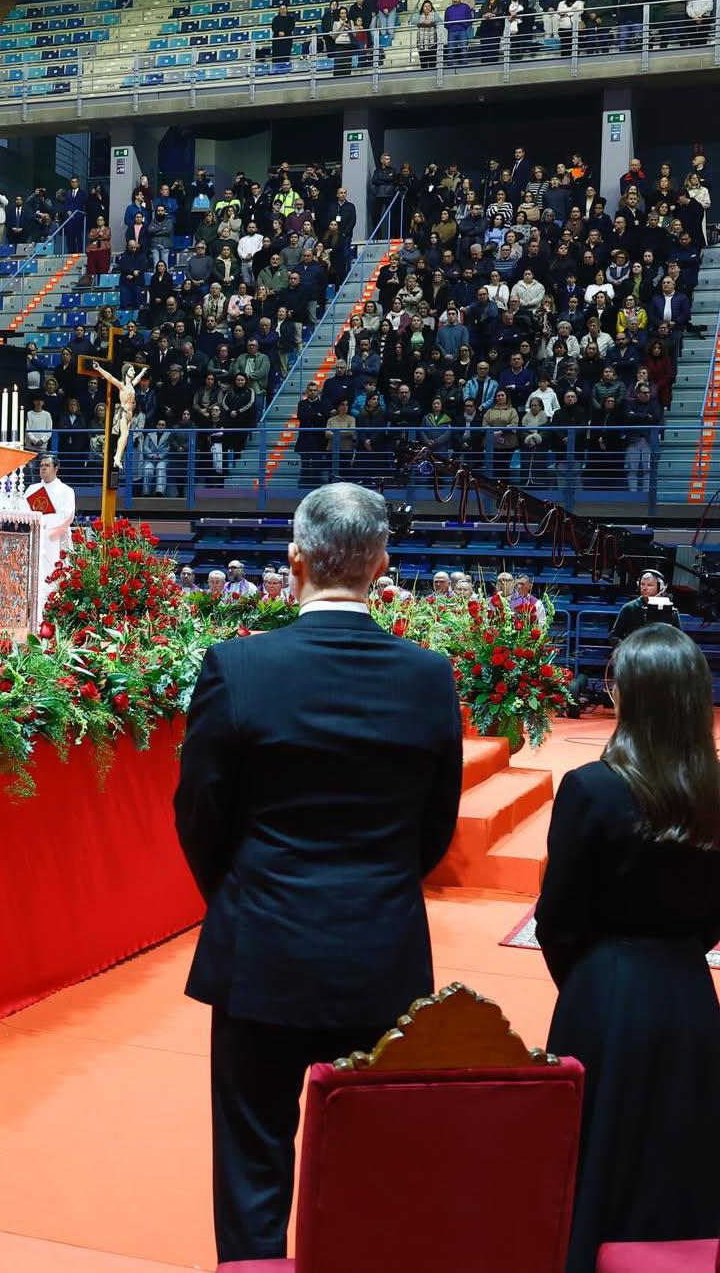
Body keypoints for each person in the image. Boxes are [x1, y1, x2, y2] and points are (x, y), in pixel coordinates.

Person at [175, 483, 463, 1265]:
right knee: (371, 1166)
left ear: (294, 562)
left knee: (252, 1165)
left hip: (261, 948)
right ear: (382, 565)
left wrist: (241, 894)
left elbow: (198, 814)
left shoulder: (238, 666)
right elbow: (435, 826)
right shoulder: (429, 676)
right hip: (381, 954)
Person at [535, 625, 720, 1273]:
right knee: (682, 1150)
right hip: (690, 993)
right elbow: (713, 921)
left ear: (632, 695)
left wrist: (589, 978)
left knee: (599, 1156)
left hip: (603, 991)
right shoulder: (714, 791)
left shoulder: (592, 788)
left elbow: (556, 919)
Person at [33, 454, 76, 609]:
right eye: (41, 466)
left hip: (56, 539)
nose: (43, 468)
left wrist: (51, 527)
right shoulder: (33, 489)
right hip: (37, 539)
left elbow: (68, 515)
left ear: (56, 468)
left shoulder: (66, 490)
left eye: (47, 465)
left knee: (57, 576)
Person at [609, 568, 682, 642]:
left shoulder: (671, 611)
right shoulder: (629, 608)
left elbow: (679, 639)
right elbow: (613, 637)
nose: (644, 588)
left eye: (649, 585)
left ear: (660, 587)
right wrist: (628, 650)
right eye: (642, 584)